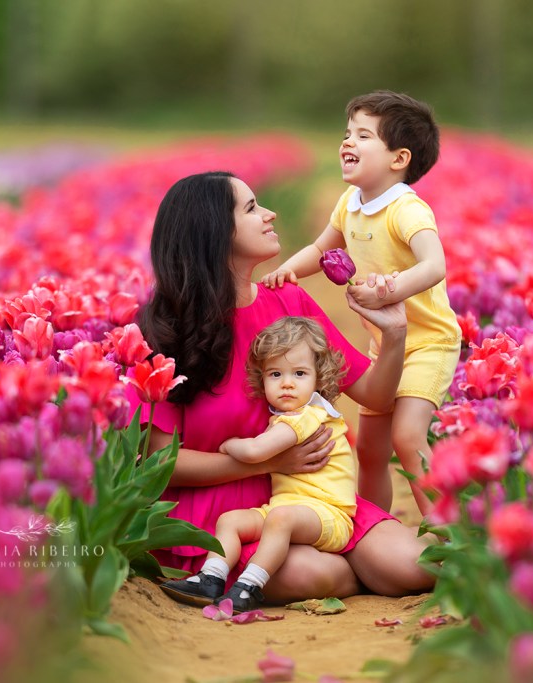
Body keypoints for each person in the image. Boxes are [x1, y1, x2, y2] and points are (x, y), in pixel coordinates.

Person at [139, 170, 433, 605]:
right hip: (219, 508)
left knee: (412, 565)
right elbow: (159, 462)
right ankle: (351, 572)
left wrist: (393, 336)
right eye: (252, 208)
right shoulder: (163, 332)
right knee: (307, 571)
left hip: (308, 495)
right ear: (215, 232)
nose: (270, 214)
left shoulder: (288, 303)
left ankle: (367, 567)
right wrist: (267, 462)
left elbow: (373, 395)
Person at [261, 90, 462, 517]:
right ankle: (373, 529)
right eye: (347, 133)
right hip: (384, 344)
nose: (347, 142)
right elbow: (320, 249)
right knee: (370, 448)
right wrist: (288, 272)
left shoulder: (407, 210)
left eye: (363, 135)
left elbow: (434, 265)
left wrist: (389, 291)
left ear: (398, 158)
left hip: (429, 343)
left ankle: (449, 536)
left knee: (407, 438)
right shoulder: (349, 203)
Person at [160, 316, 357, 612]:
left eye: (300, 374)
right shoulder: (284, 417)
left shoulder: (309, 415)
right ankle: (210, 577)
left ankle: (250, 585)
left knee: (281, 519)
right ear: (262, 379)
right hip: (288, 507)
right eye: (276, 374)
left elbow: (255, 452)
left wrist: (229, 446)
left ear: (319, 378)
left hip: (329, 514)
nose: (287, 383)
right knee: (231, 521)